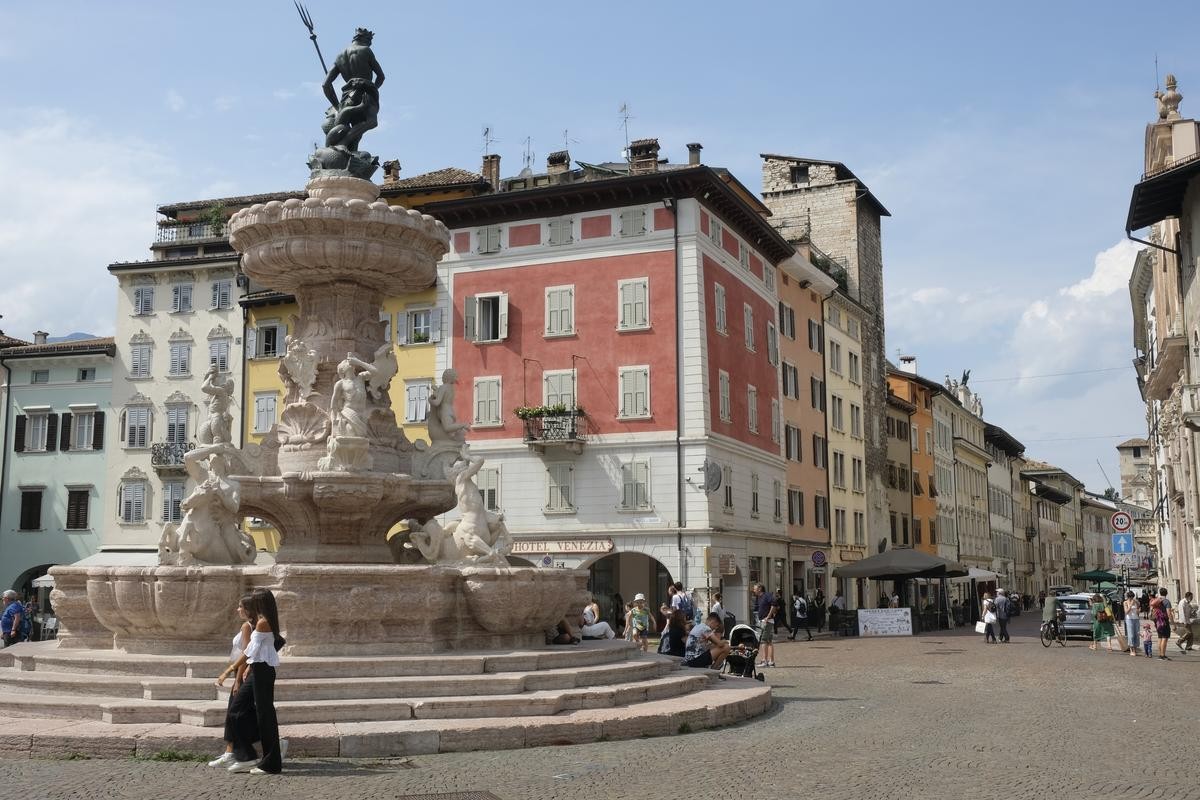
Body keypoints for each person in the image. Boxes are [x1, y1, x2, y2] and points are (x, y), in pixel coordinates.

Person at [217, 589, 287, 775]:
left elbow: (249, 651)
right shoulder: (262, 621)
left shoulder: (263, 623)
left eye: (254, 601)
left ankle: (270, 763)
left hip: (263, 671)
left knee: (265, 715)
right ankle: (248, 755)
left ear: (260, 603)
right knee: (237, 710)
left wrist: (229, 670)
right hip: (257, 669)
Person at [208, 596, 256, 768]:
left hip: (241, 673)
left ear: (248, 609)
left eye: (240, 606)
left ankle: (236, 753)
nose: (237, 609)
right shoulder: (251, 625)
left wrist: (236, 680)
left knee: (234, 713)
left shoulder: (246, 626)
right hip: (241, 672)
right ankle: (230, 752)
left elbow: (245, 656)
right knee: (236, 713)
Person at [752, 584, 777, 667]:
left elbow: (774, 604)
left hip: (767, 621)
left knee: (763, 640)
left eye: (755, 588)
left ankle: (764, 661)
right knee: (769, 641)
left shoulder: (767, 596)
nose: (753, 590)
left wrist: (768, 617)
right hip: (764, 620)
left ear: (760, 589)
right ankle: (771, 661)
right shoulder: (759, 598)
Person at [1152, 588, 1173, 660]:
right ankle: (1162, 655)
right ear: (1166, 593)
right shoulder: (1167, 601)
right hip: (1164, 621)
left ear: (1160, 593)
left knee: (1160, 637)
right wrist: (1173, 623)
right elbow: (1169, 613)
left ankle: (1160, 654)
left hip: (1157, 620)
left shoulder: (1157, 600)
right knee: (1165, 637)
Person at [1123, 591, 1142, 657]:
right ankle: (1131, 649)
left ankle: (1135, 648)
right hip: (1129, 619)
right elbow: (1126, 612)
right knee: (1131, 635)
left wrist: (1138, 610)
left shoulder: (1136, 602)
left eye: (1132, 597)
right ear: (1128, 597)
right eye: (1130, 597)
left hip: (1136, 619)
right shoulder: (1125, 602)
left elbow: (1139, 610)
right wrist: (1130, 605)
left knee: (1136, 634)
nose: (1131, 599)